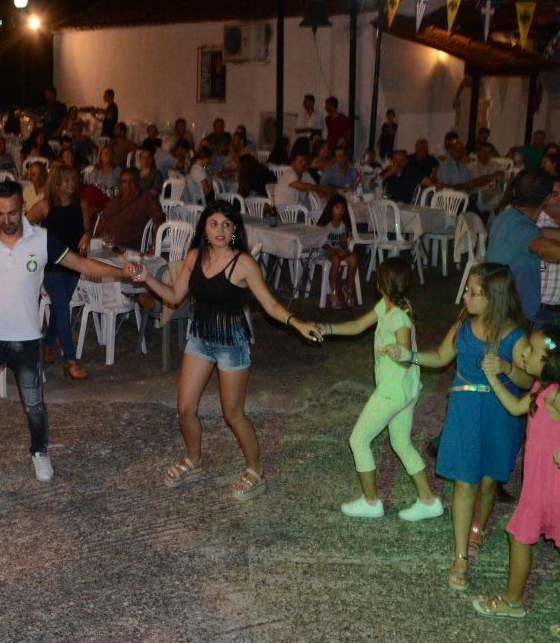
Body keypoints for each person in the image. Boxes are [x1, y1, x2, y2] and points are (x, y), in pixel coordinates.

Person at [0, 181, 140, 496]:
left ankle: (39, 453)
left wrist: (120, 271)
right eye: (0, 213)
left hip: (26, 338)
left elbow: (81, 263)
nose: (6, 220)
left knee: (34, 406)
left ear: (23, 208)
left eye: (13, 213)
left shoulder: (42, 240)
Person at [131, 201, 321, 499]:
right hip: (200, 338)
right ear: (204, 229)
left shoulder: (243, 263)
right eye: (214, 224)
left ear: (234, 230)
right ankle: (194, 460)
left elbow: (270, 305)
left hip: (232, 343)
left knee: (233, 414)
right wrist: (147, 278)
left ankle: (255, 471)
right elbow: (174, 296)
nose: (220, 230)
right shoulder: (194, 257)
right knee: (185, 409)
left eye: (226, 224)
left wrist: (297, 323)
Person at [384, 263, 532, 591]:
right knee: (465, 483)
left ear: (494, 298)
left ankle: (479, 526)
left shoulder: (516, 337)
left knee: (489, 482)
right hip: (464, 411)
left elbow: (529, 379)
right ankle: (460, 557)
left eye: (473, 292)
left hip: (500, 414)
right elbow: (440, 357)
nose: (465, 296)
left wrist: (507, 367)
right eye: (467, 290)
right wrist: (408, 355)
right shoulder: (464, 325)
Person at [471, 328, 560, 643]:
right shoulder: (542, 388)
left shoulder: (555, 394)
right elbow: (515, 407)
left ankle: (512, 600)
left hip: (550, 484)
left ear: (552, 361)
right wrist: (494, 376)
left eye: (532, 350)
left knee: (519, 536)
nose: (525, 353)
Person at [317, 258, 440, 521]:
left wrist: (399, 351)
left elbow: (405, 354)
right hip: (406, 388)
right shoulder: (389, 306)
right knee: (401, 442)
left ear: (381, 283)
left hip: (393, 391)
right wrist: (327, 328)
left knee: (358, 439)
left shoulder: (399, 317)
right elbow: (358, 326)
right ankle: (428, 501)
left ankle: (371, 502)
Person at [485, 169, 560, 323]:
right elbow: (541, 245)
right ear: (547, 198)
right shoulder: (520, 225)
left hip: (505, 310)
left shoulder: (506, 217)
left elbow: (546, 234)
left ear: (514, 191)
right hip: (513, 318)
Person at [26, 164, 91, 380]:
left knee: (59, 307)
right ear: (56, 183)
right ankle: (70, 361)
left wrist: (87, 234)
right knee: (63, 308)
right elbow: (23, 225)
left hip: (74, 263)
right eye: (66, 180)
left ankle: (47, 345)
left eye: (73, 179)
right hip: (52, 265)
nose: (71, 184)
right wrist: (36, 246)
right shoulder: (44, 206)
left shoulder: (81, 204)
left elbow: (86, 228)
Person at [94, 168, 165, 251]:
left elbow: (160, 222)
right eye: (124, 182)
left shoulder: (146, 199)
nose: (127, 185)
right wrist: (94, 240)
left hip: (127, 248)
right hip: (104, 245)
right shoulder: (115, 200)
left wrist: (154, 248)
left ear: (138, 182)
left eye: (131, 181)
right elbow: (103, 222)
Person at [314, 194, 358, 309]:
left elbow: (343, 241)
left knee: (353, 258)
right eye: (337, 207)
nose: (340, 211)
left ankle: (349, 289)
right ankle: (333, 290)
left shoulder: (343, 223)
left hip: (338, 250)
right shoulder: (325, 223)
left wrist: (343, 249)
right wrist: (334, 250)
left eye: (342, 208)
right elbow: (321, 242)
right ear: (331, 208)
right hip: (325, 251)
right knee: (336, 258)